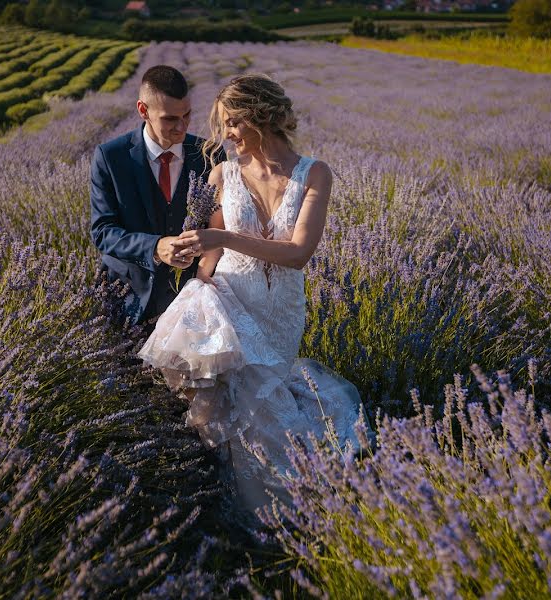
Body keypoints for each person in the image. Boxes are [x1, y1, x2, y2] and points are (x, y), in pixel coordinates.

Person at [138, 74, 369, 517]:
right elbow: (214, 250)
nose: (225, 134)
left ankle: (276, 509)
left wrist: (220, 234)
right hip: (227, 294)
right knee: (211, 399)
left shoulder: (315, 173)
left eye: (232, 123)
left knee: (262, 410)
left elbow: (298, 253)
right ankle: (213, 491)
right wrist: (194, 261)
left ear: (260, 119)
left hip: (279, 309)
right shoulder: (223, 173)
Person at [90, 65, 222, 323]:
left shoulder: (211, 155)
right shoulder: (110, 157)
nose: (181, 127)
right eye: (170, 119)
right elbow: (103, 231)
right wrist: (155, 247)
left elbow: (220, 229)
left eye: (187, 115)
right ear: (143, 110)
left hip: (192, 301)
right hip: (127, 299)